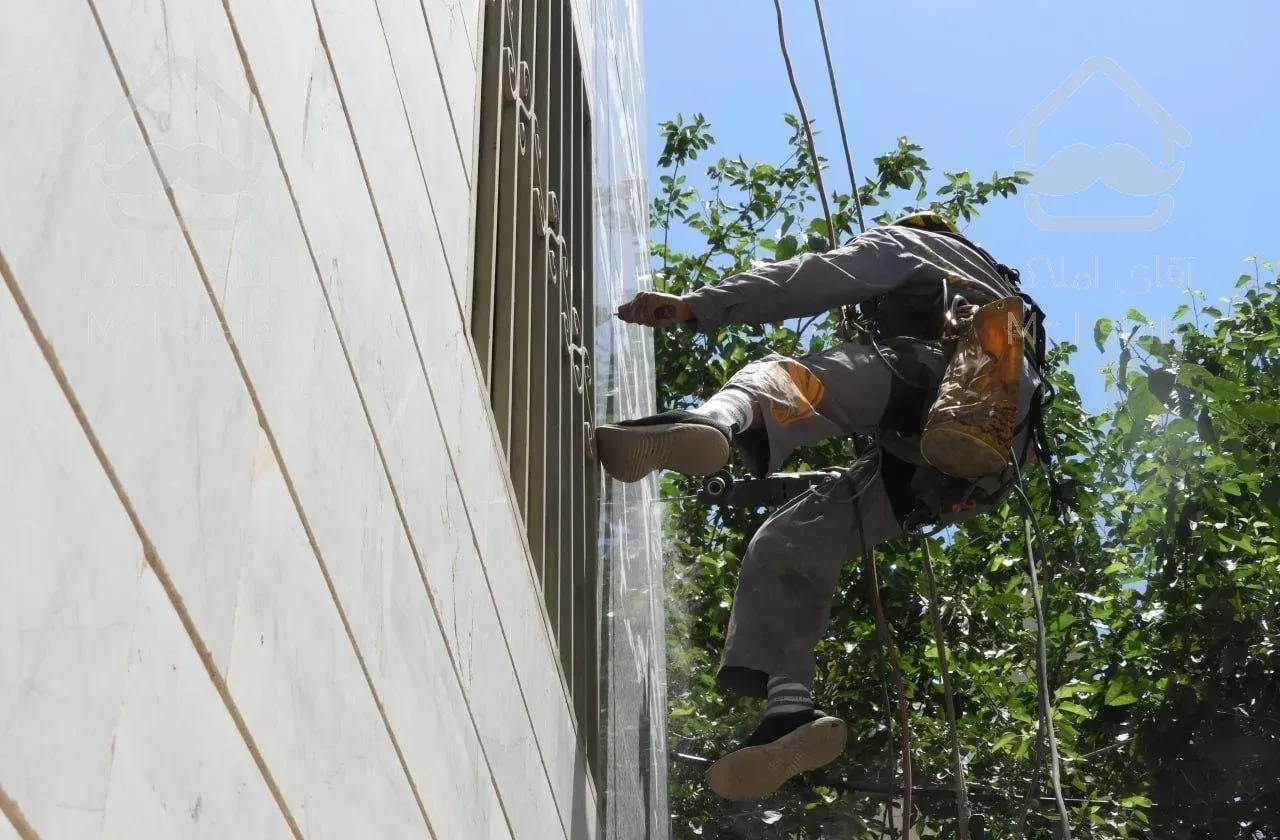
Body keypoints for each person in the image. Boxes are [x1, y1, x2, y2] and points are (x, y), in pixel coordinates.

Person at [595, 212, 1052, 801]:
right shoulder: (1005, 301)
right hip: (977, 466)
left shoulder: (917, 245)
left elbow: (815, 276)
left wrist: (697, 305)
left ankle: (715, 421)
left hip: (934, 384)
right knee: (790, 542)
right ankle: (792, 710)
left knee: (784, 378)